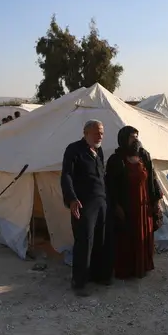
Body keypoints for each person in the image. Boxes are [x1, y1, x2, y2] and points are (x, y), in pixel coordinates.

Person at [60, 120, 112, 296]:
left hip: (101, 201)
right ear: (86, 133)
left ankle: (98, 275)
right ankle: (79, 281)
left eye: (102, 133)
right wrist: (72, 198)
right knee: (84, 241)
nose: (100, 136)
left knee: (101, 239)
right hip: (84, 202)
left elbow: (102, 176)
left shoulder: (99, 151)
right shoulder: (74, 149)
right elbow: (66, 175)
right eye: (97, 133)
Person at [105, 126, 163, 280]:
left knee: (143, 235)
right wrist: (116, 206)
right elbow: (110, 186)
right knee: (126, 238)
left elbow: (152, 179)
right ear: (124, 139)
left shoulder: (144, 156)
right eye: (132, 137)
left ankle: (142, 266)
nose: (135, 139)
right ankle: (127, 270)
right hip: (127, 206)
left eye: (137, 136)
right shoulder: (116, 159)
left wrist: (156, 200)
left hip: (144, 206)